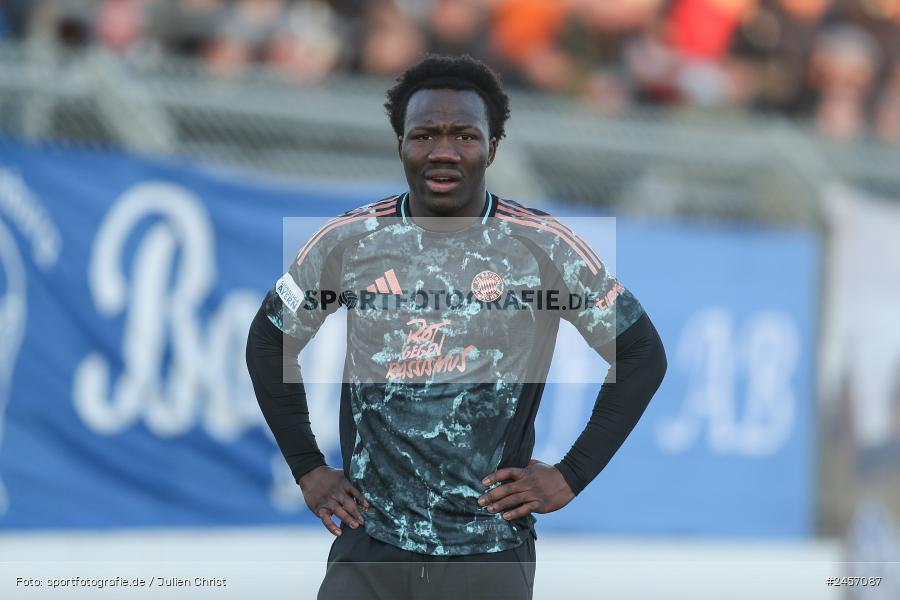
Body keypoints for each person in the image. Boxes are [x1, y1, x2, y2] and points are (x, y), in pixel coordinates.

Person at [245, 54, 667, 600]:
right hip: (370, 544)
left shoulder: (543, 249)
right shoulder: (350, 243)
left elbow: (640, 354)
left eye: (464, 136)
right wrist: (307, 467)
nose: (443, 151)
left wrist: (571, 474)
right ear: (400, 144)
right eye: (425, 135)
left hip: (488, 551)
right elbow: (269, 340)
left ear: (492, 148)